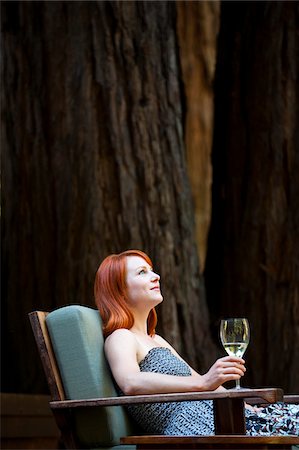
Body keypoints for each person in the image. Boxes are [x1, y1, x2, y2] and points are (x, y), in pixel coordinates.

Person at [94, 249, 299, 436]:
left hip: (218, 417)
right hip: (195, 426)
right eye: (142, 272)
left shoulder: (156, 340)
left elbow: (200, 379)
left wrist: (242, 406)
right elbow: (130, 382)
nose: (156, 276)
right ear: (119, 291)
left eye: (152, 270)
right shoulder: (121, 337)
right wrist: (204, 383)